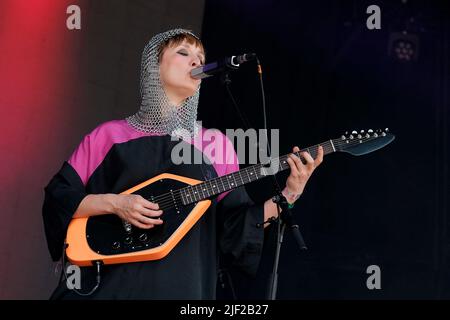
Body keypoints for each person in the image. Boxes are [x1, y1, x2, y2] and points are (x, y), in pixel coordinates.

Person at [42, 28, 323, 299]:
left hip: (179, 286)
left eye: (200, 58)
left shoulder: (215, 145)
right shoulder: (108, 136)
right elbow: (59, 198)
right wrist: (116, 204)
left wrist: (291, 192)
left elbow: (236, 228)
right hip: (105, 286)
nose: (196, 62)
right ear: (154, 67)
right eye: (183, 52)